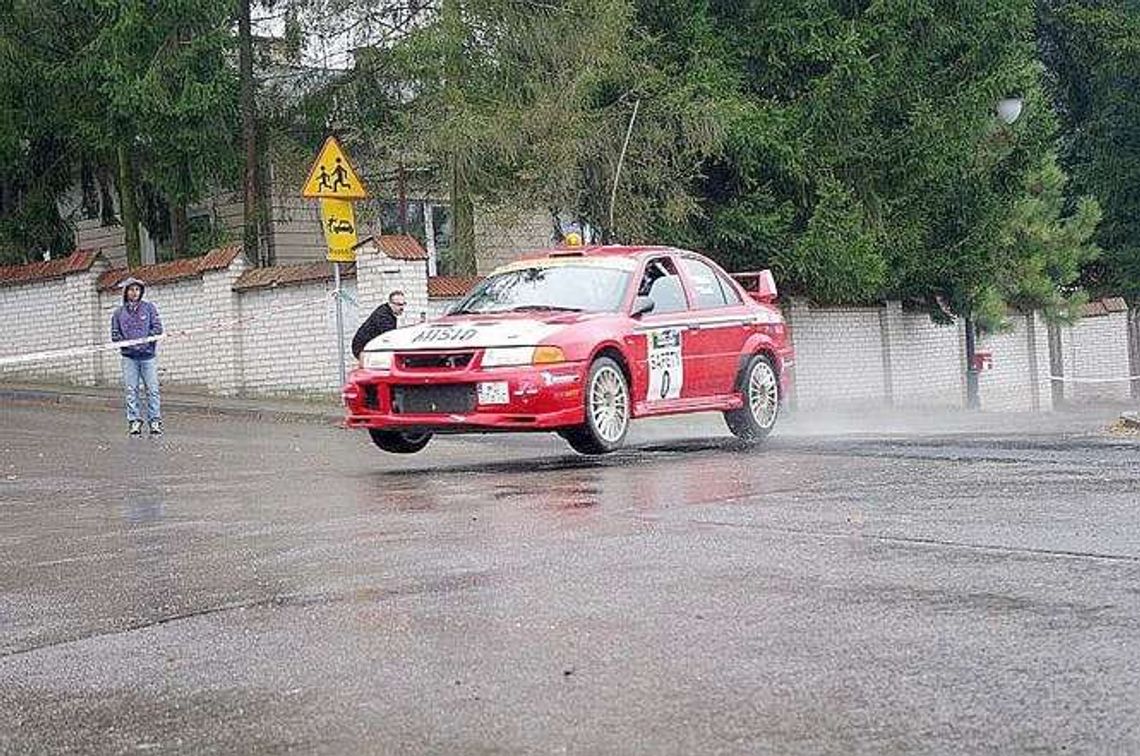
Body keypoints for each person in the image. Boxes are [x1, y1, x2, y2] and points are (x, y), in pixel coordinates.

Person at [110, 277, 164, 436]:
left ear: (141, 292)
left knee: (153, 390)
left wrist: (146, 343)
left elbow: (157, 329)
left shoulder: (149, 308)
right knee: (131, 390)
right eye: (131, 290)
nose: (134, 293)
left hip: (148, 356)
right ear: (126, 292)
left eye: (137, 289)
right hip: (129, 357)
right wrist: (128, 344)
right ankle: (134, 421)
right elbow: (115, 335)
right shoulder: (118, 313)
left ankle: (155, 421)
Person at [352, 290, 406, 360]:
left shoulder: (387, 312)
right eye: (398, 304)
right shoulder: (383, 316)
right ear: (390, 304)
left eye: (403, 304)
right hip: (364, 349)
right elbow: (390, 338)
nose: (402, 308)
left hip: (368, 347)